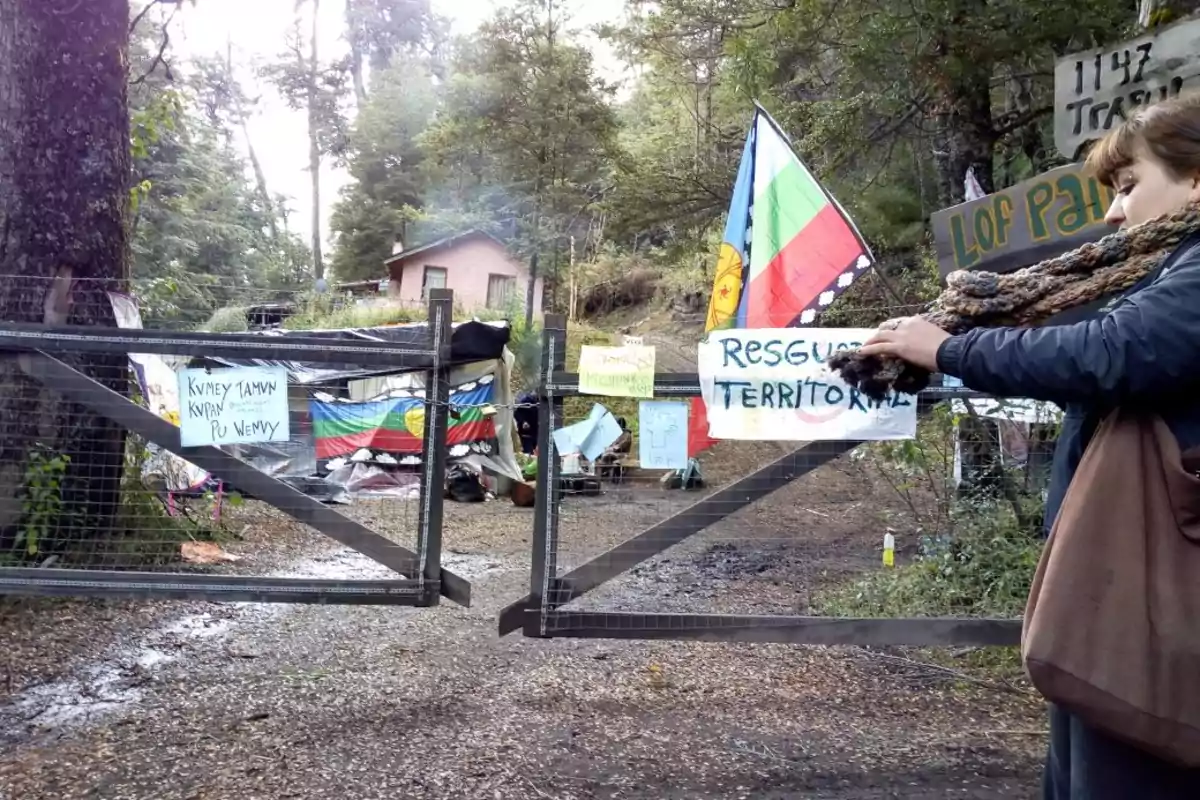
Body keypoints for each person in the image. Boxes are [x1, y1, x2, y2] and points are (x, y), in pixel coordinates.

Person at [858, 93, 1200, 798]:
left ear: (1197, 178)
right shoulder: (1168, 270)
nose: (1114, 212)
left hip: (1161, 592)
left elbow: (1113, 352)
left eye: (1130, 187)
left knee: (1129, 761)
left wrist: (953, 349)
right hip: (1132, 579)